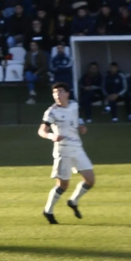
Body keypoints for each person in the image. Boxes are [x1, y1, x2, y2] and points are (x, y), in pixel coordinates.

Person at [39, 82, 94, 224]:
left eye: (60, 91)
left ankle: (73, 201)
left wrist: (81, 125)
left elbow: (76, 118)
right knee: (63, 185)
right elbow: (41, 131)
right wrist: (52, 136)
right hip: (63, 150)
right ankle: (48, 210)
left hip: (77, 147)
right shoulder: (51, 112)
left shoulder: (74, 105)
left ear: (67, 93)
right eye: (55, 92)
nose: (57, 94)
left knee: (90, 180)